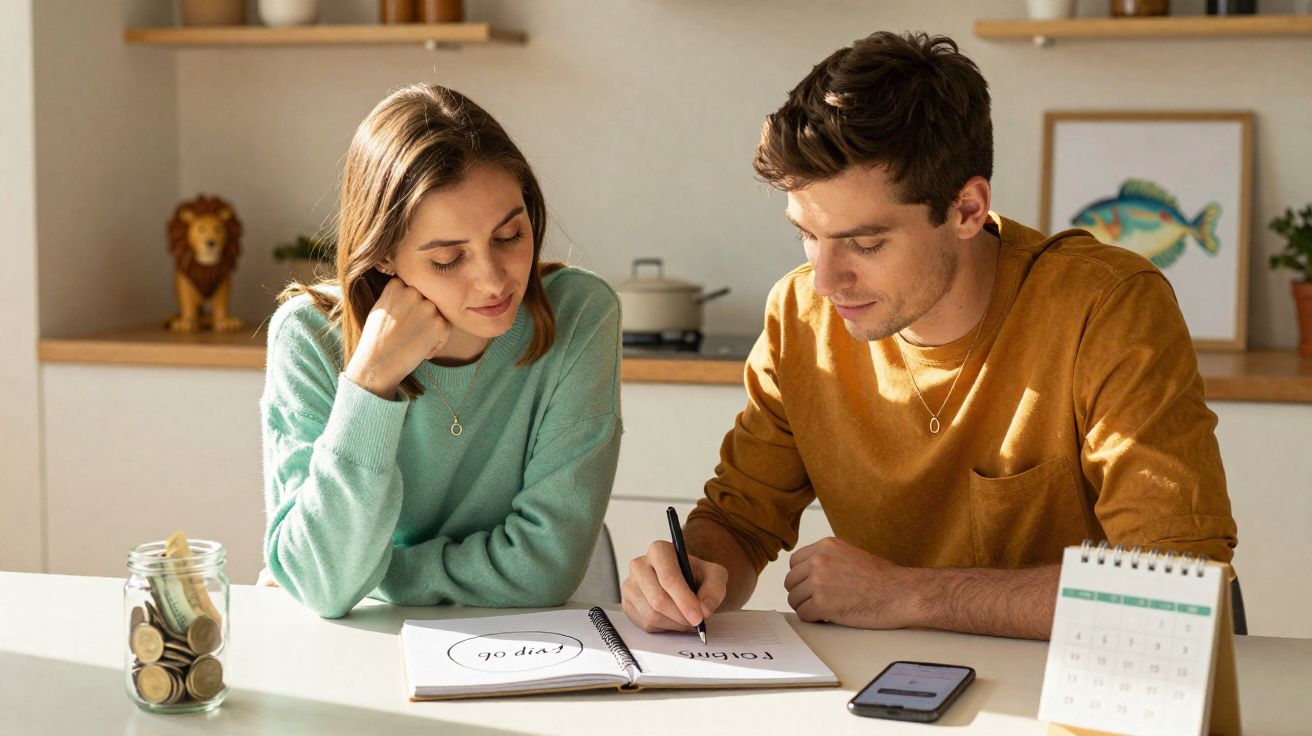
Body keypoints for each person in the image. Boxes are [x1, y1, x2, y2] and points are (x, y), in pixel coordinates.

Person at [621, 31, 1237, 641]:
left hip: (1084, 691)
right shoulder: (800, 312)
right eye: (808, 235)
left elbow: (1177, 585)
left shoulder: (1104, 306)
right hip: (890, 692)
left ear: (967, 209)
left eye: (866, 243)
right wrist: (692, 571)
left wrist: (908, 592)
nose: (828, 279)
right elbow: (740, 519)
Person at [259, 84, 622, 618]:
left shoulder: (580, 315)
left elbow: (545, 569)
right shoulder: (309, 336)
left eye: (510, 235)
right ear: (383, 255)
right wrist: (369, 384)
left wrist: (373, 574)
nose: (493, 281)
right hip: (363, 655)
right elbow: (321, 584)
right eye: (449, 258)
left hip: (529, 643)